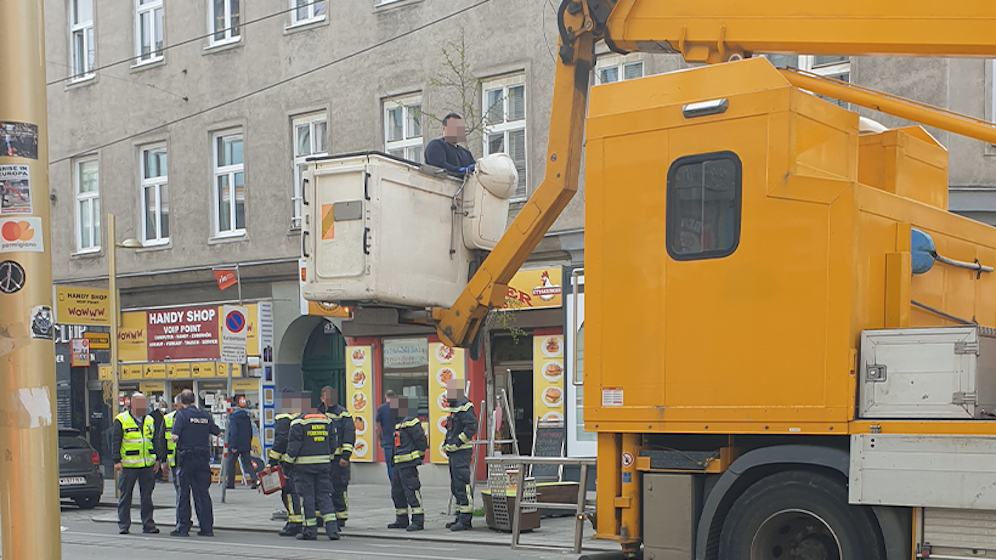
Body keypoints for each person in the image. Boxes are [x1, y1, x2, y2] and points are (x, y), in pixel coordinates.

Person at [286, 392, 340, 541]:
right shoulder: (327, 420)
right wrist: (327, 459)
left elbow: (293, 447)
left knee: (307, 498)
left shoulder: (299, 422)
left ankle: (310, 530)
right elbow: (333, 444)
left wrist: (287, 466)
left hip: (303, 467)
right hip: (323, 465)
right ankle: (332, 529)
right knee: (324, 496)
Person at [112, 392, 164, 535]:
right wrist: (116, 460)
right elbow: (116, 441)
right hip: (128, 465)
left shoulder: (150, 420)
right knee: (125, 496)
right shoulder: (121, 420)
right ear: (133, 404)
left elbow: (155, 441)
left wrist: (157, 459)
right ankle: (123, 525)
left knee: (147, 496)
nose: (143, 406)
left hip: (147, 465)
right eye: (140, 403)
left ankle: (148, 524)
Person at [170, 389, 221, 537]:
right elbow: (217, 431)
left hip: (187, 459)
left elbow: (174, 437)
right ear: (193, 400)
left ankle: (183, 527)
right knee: (202, 494)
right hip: (203, 458)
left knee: (183, 493)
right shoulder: (205, 415)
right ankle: (206, 528)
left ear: (181, 402)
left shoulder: (181, 416)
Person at [388, 396, 428, 532]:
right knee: (397, 492)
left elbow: (421, 440)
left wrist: (419, 455)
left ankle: (418, 521)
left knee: (411, 491)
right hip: (399, 464)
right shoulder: (400, 423)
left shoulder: (411, 422)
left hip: (408, 464)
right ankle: (401, 519)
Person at [442, 379, 478, 531]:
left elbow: (471, 427)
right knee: (455, 486)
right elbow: (452, 429)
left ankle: (465, 519)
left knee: (462, 484)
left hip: (461, 452)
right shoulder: (455, 407)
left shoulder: (465, 406)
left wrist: (457, 442)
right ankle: (459, 516)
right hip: (454, 453)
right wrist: (447, 444)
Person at [270, 388, 304, 537]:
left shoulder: (283, 418)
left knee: (289, 493)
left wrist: (272, 461)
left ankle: (294, 522)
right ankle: (304, 520)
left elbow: (281, 441)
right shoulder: (303, 417)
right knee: (303, 492)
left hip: (287, 462)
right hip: (303, 461)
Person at [319, 386, 355, 527]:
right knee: (321, 488)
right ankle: (321, 516)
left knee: (338, 487)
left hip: (338, 459)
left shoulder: (343, 414)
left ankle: (340, 516)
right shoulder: (317, 413)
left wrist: (345, 456)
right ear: (322, 398)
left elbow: (349, 435)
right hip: (322, 459)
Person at [226, 396, 260, 489]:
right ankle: (254, 480)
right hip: (245, 444)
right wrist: (249, 442)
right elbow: (250, 431)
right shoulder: (247, 417)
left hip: (236, 444)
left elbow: (233, 432)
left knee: (231, 463)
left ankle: (230, 483)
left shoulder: (233, 418)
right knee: (247, 463)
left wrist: (233, 445)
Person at [374, 390, 398, 481]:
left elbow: (377, 427)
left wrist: (380, 440)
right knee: (400, 464)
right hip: (400, 441)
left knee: (390, 464)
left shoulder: (381, 408)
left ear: (385, 397)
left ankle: (394, 484)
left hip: (387, 441)